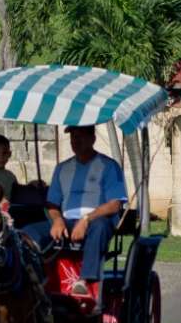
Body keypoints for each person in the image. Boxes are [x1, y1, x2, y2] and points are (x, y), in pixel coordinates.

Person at [44, 124, 129, 293]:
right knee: (30, 232)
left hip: (96, 221)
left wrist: (86, 219)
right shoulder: (62, 168)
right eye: (73, 137)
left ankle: (85, 280)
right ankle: (35, 279)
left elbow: (115, 204)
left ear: (93, 138)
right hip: (66, 222)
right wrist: (57, 219)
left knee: (100, 226)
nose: (76, 141)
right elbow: (52, 204)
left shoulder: (109, 166)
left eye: (80, 136)